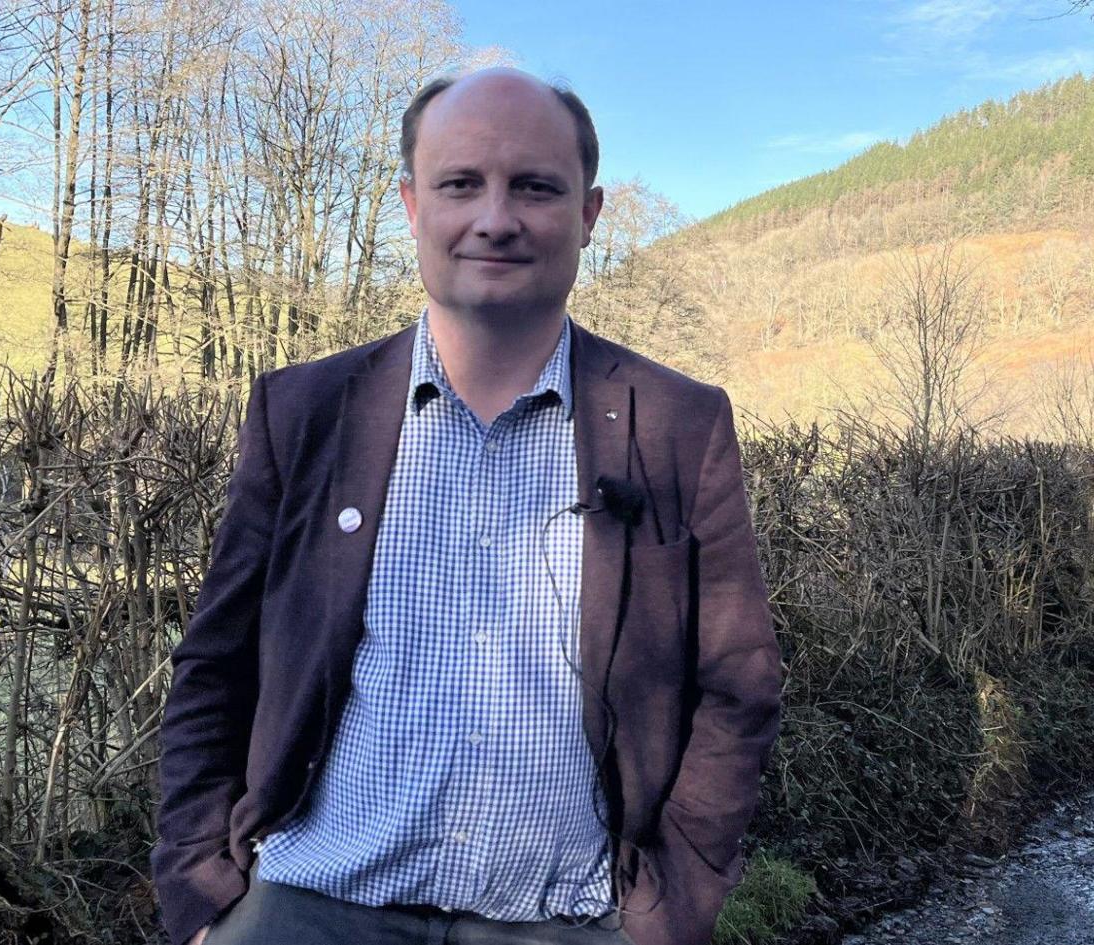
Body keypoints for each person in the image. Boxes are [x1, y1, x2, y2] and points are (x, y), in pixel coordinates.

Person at [150, 68, 784, 945]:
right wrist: (200, 893)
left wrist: (666, 913)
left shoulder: (678, 426)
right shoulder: (303, 413)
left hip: (571, 922)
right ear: (412, 204)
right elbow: (214, 666)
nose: (495, 218)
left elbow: (739, 686)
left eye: (534, 185)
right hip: (305, 910)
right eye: (461, 184)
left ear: (590, 213)